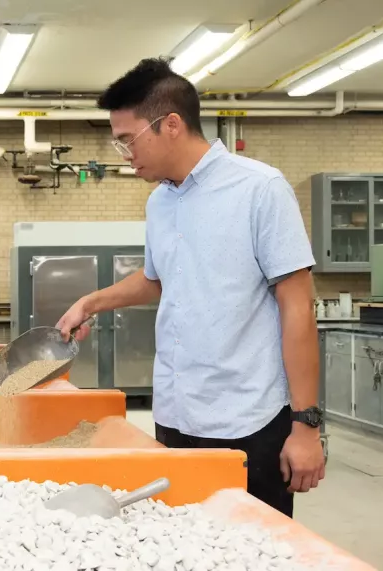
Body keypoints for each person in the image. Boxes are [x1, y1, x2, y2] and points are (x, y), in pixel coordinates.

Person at [56, 58, 325, 517]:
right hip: (177, 412)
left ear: (172, 125)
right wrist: (91, 302)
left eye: (128, 140)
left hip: (249, 419)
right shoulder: (161, 202)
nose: (125, 154)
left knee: (250, 549)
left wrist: (306, 425)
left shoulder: (259, 189)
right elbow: (156, 279)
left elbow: (297, 305)